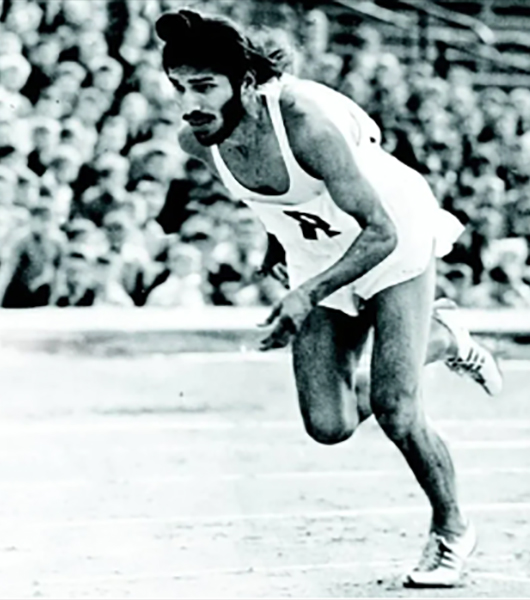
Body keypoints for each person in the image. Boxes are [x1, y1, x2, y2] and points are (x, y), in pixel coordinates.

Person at [155, 10, 504, 587]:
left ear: (246, 83)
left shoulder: (306, 126)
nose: (190, 103)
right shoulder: (199, 141)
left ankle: (451, 530)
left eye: (205, 86)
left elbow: (380, 231)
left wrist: (305, 295)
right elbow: (267, 198)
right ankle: (443, 339)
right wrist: (277, 244)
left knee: (396, 409)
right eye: (180, 88)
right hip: (319, 251)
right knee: (329, 424)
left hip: (391, 234)